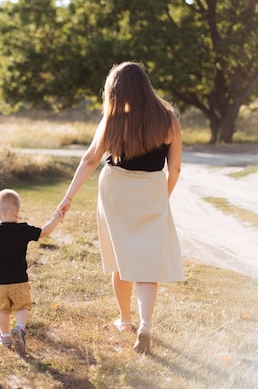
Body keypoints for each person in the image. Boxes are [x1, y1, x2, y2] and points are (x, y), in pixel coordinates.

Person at [57, 61, 184, 354]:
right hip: (152, 189)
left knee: (121, 255)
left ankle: (125, 320)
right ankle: (145, 324)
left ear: (115, 90)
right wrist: (162, 197)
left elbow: (90, 159)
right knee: (147, 260)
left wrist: (68, 197)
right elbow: (174, 168)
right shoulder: (168, 119)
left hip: (116, 190)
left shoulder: (113, 119)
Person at [0, 189, 63, 354]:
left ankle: (5, 336)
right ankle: (19, 327)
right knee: (22, 307)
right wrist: (56, 218)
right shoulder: (23, 230)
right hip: (20, 281)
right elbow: (44, 232)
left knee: (3, 310)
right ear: (17, 213)